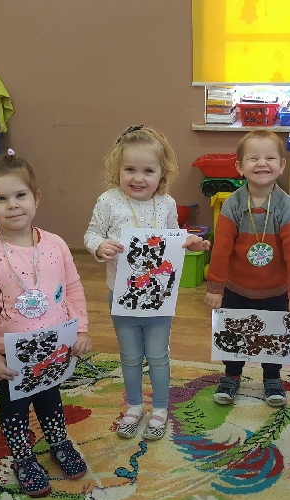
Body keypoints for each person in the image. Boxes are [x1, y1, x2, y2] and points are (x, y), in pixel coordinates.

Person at [0, 149, 92, 498]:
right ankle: (22, 458)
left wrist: (81, 329)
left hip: (54, 348)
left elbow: (73, 288)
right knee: (15, 409)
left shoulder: (56, 245)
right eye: (1, 199)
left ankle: (58, 442)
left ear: (36, 198)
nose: (13, 205)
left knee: (51, 399)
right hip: (11, 356)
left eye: (20, 195)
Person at [84, 125, 209, 441]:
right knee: (129, 357)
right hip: (122, 297)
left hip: (158, 299)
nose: (138, 178)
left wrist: (189, 242)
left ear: (162, 173)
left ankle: (160, 410)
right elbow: (92, 234)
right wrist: (99, 246)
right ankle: (135, 407)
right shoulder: (108, 201)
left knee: (157, 356)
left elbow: (174, 240)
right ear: (117, 169)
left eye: (148, 171)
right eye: (130, 169)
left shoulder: (166, 203)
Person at [204, 130, 290, 407]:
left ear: (282, 165)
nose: (262, 163)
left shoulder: (286, 207)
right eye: (253, 158)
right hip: (236, 288)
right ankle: (231, 375)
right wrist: (215, 287)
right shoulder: (233, 205)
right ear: (239, 167)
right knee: (233, 333)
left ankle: (272, 377)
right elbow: (221, 249)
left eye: (270, 158)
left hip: (275, 290)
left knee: (273, 335)